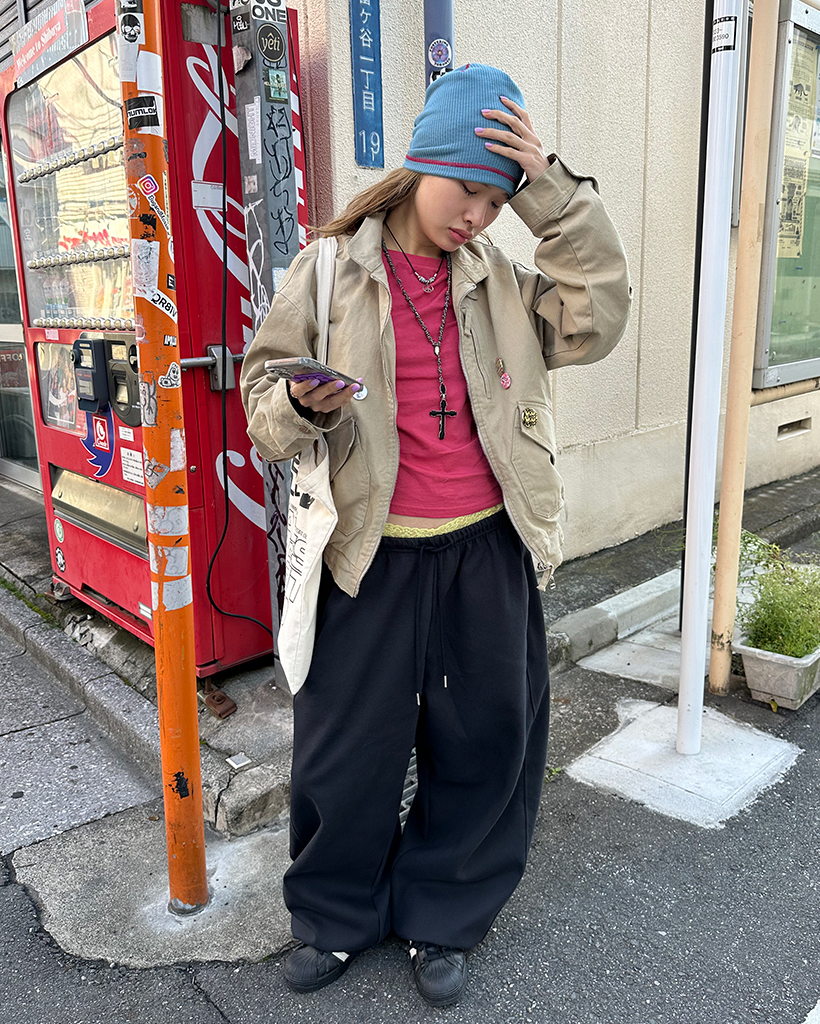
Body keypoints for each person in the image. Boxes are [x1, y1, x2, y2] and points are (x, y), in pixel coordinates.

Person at [240, 63, 631, 1007]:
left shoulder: (503, 282)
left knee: (487, 742)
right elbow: (261, 404)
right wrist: (300, 404)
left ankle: (443, 912)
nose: (479, 216)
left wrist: (549, 190)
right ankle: (335, 915)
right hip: (367, 552)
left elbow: (597, 315)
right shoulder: (329, 271)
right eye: (468, 190)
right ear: (423, 164)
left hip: (487, 547)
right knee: (346, 751)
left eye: (499, 200)